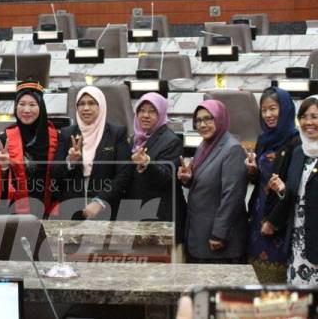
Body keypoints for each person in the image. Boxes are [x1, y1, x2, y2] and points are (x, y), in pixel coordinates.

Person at [178, 100, 247, 264]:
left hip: (219, 243)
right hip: (199, 235)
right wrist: (189, 179)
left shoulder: (232, 149)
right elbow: (206, 182)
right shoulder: (205, 145)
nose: (203, 124)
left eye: (209, 119)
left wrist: (219, 234)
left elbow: (232, 196)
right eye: (199, 120)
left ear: (220, 118)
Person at [246, 87, 299, 283]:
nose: (268, 114)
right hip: (258, 213)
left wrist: (274, 221)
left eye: (273, 108)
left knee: (276, 284)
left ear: (285, 109)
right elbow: (260, 179)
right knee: (254, 279)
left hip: (280, 218)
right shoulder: (263, 140)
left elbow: (293, 188)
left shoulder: (296, 142)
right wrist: (252, 171)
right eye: (264, 110)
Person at [55, 86, 131, 220]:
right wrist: (70, 161)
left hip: (107, 207)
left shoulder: (116, 133)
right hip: (72, 209)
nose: (86, 108)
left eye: (91, 103)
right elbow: (56, 173)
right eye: (81, 104)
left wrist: (100, 201)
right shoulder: (67, 133)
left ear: (101, 105)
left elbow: (124, 174)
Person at [0, 82, 61, 217]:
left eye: (32, 104)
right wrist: (4, 168)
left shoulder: (56, 136)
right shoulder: (6, 137)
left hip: (50, 209)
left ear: (41, 107)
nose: (26, 110)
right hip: (17, 211)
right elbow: (0, 183)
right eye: (21, 104)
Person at [269, 95, 318, 286]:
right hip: (297, 244)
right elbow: (294, 194)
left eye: (314, 116)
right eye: (303, 117)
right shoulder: (299, 152)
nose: (308, 122)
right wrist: (282, 189)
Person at [127, 92, 186, 241]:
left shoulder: (171, 140)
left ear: (161, 113)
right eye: (142, 110)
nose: (145, 115)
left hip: (162, 215)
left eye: (152, 111)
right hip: (138, 213)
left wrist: (148, 164)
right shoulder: (133, 140)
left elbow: (167, 176)